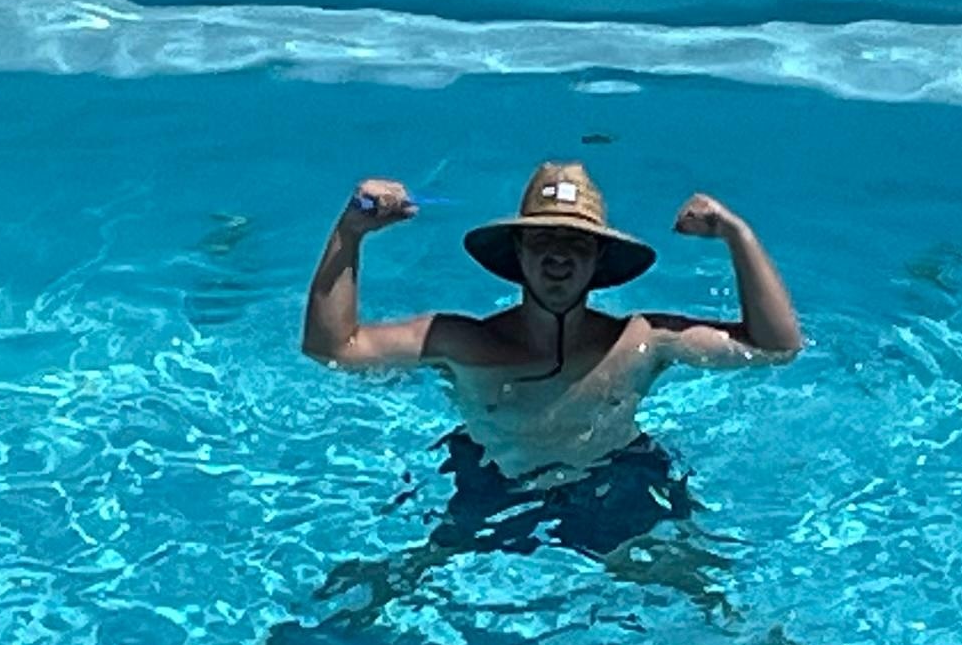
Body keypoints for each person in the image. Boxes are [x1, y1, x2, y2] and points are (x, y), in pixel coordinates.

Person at [298, 159, 804, 560]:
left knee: (699, 585)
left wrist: (738, 233)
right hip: (494, 475)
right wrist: (350, 232)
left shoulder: (640, 340)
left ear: (599, 259)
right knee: (401, 578)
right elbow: (333, 349)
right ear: (517, 253)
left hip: (614, 474)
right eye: (542, 240)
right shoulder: (463, 342)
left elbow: (776, 347)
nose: (558, 255)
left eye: (576, 243)